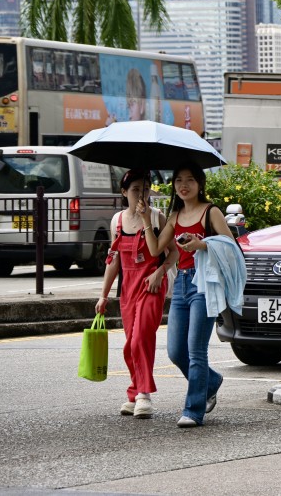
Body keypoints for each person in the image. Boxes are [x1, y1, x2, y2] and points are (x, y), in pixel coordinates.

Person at [95, 169, 176, 419]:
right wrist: (104, 295)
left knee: (142, 336)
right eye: (135, 190)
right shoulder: (117, 221)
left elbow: (173, 253)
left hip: (151, 284)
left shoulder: (157, 217)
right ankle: (134, 392)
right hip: (128, 286)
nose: (142, 194)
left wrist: (160, 272)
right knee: (130, 343)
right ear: (124, 192)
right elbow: (114, 259)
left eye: (145, 189)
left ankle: (143, 394)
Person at [157, 162, 233, 428]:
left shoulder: (211, 212)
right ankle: (211, 382)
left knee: (196, 351)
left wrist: (202, 244)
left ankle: (193, 410)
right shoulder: (175, 215)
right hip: (181, 284)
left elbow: (230, 247)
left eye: (189, 180)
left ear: (200, 184)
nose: (183, 185)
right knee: (177, 351)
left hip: (204, 285)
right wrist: (144, 217)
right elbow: (156, 249)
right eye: (178, 180)